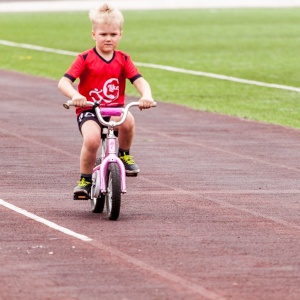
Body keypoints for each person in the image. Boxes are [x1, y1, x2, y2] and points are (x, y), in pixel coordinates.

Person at [58, 2, 154, 199]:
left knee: (128, 121)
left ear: (120, 35)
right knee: (92, 140)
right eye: (103, 34)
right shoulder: (85, 58)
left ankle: (124, 154)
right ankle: (85, 179)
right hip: (90, 110)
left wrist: (146, 96)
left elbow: (139, 81)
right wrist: (75, 96)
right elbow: (64, 82)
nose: (108, 38)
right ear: (94, 34)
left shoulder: (123, 59)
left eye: (113, 34)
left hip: (115, 109)